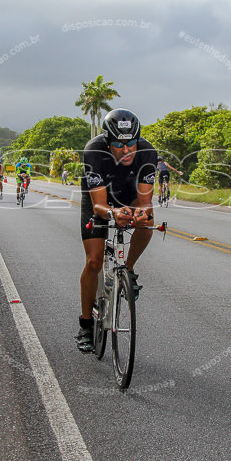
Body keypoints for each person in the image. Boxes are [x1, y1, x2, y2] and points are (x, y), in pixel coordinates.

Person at [76, 108, 158, 353]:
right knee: (93, 262)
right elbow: (99, 205)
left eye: (131, 143)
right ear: (107, 141)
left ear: (138, 139)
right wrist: (112, 213)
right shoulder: (94, 151)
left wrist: (139, 214)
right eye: (119, 144)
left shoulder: (148, 152)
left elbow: (144, 202)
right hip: (99, 201)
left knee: (147, 220)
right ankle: (86, 324)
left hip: (130, 196)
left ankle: (129, 271)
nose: (126, 150)